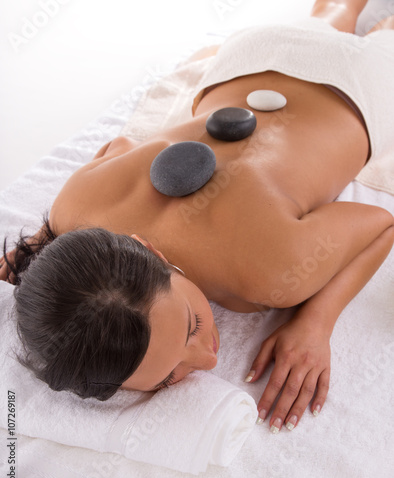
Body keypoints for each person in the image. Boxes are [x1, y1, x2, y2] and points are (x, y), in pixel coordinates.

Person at [1, 0, 393, 434]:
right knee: (333, 13)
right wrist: (48, 239)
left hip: (357, 89)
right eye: (169, 376)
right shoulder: (74, 207)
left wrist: (315, 323)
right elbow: (119, 148)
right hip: (251, 56)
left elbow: (380, 223)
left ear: (152, 252)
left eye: (193, 324)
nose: (208, 358)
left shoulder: (269, 274)